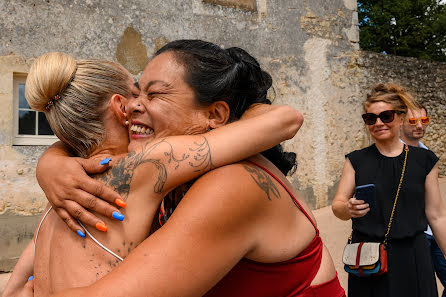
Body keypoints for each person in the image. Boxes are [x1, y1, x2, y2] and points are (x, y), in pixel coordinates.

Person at [36, 40, 346, 297]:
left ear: (214, 114)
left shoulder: (233, 183)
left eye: (153, 94)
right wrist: (52, 161)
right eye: (135, 93)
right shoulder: (169, 183)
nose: (131, 107)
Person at [332, 83, 446, 297]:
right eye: (370, 118)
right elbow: (337, 206)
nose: (378, 123)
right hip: (368, 260)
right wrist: (348, 208)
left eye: (386, 116)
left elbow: (437, 215)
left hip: (413, 258)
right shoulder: (356, 160)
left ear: (401, 118)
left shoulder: (425, 160)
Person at [400, 105, 446, 297]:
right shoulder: (392, 154)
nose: (419, 125)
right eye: (413, 121)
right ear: (400, 121)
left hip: (433, 232)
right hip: (412, 238)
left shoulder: (427, 154)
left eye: (424, 120)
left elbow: (436, 208)